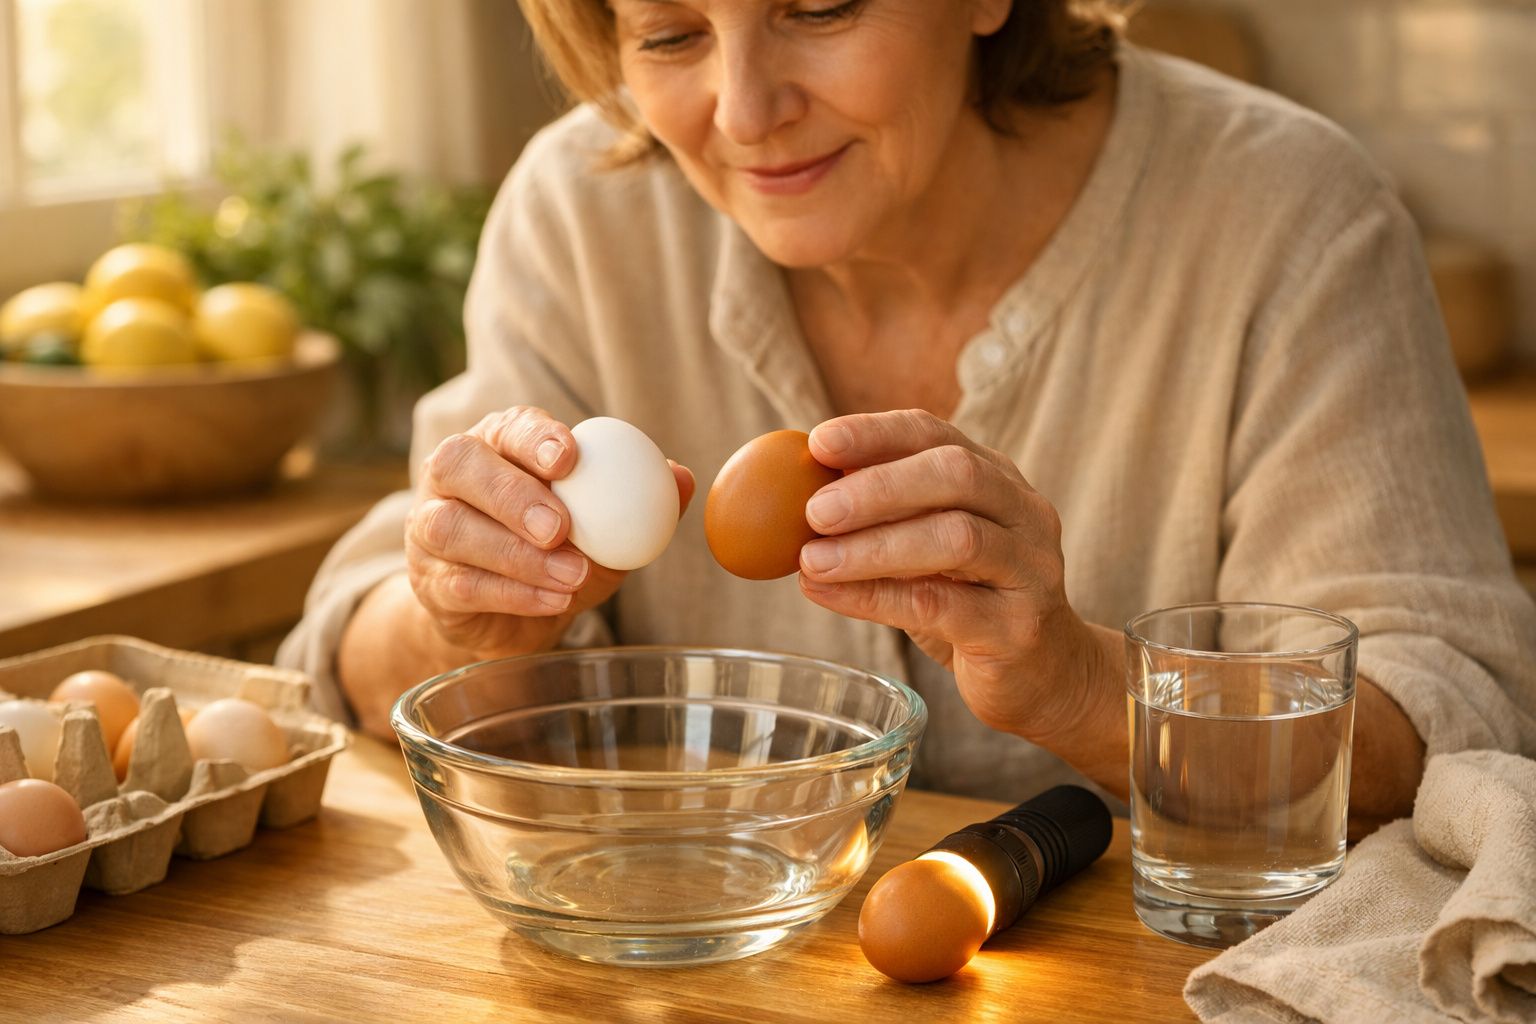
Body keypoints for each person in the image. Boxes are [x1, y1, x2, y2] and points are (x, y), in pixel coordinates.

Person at [277, 0, 1536, 834]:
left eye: (818, 5)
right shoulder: (581, 216)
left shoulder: (1282, 214)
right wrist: (461, 619)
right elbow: (351, 660)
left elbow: (1444, 727)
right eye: (669, 34)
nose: (746, 108)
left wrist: (1083, 684)